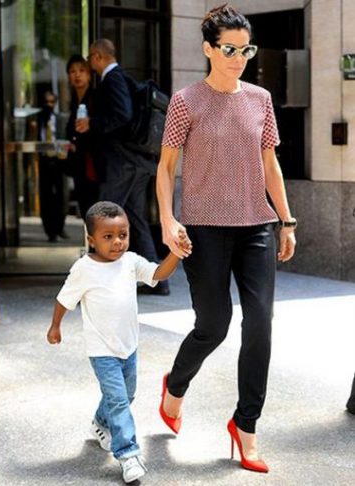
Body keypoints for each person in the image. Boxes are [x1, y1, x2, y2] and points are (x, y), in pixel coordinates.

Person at [156, 4, 296, 474]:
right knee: (213, 325)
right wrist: (167, 220)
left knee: (260, 322)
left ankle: (246, 426)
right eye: (230, 49)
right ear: (209, 50)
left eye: (245, 49)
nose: (240, 58)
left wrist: (286, 219)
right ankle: (175, 387)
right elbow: (166, 167)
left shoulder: (260, 99)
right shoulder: (186, 101)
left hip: (256, 225)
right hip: (204, 229)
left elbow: (270, 165)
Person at [46, 201, 189, 484]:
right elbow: (64, 300)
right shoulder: (83, 269)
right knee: (120, 401)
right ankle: (127, 454)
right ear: (91, 239)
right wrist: (55, 326)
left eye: (122, 235)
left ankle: (100, 424)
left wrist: (176, 252)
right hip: (102, 351)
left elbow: (158, 274)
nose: (117, 242)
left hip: (129, 346)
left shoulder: (130, 262)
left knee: (126, 395)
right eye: (108, 237)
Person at [76, 39, 169, 295]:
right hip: (136, 163)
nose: (91, 66)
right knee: (136, 219)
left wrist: (92, 123)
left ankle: (100, 283)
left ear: (97, 57)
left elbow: (122, 115)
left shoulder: (113, 79)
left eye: (90, 60)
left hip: (123, 164)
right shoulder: (123, 78)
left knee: (102, 218)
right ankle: (158, 281)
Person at [65, 54, 98, 219]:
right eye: (72, 71)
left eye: (81, 70)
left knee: (93, 208)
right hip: (78, 164)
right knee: (85, 208)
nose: (77, 75)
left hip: (93, 164)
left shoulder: (95, 98)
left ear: (89, 75)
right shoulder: (73, 101)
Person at [37, 90, 69, 242]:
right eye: (46, 102)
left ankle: (60, 227)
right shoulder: (37, 120)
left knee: (61, 195)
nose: (48, 105)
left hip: (58, 161)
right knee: (46, 195)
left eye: (51, 102)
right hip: (43, 161)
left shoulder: (59, 119)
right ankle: (50, 231)